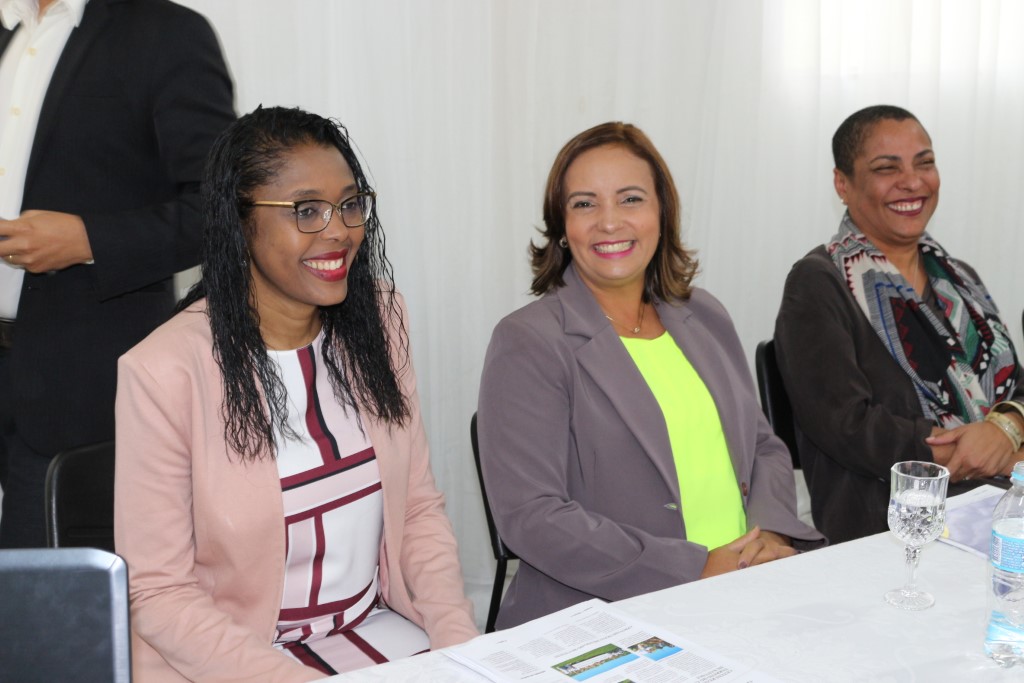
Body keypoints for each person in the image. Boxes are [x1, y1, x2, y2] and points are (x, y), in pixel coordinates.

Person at [114, 107, 478, 682]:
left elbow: (416, 509)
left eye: (350, 204)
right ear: (239, 223)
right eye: (306, 210)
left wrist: (462, 648)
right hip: (235, 662)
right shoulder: (163, 371)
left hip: (375, 629)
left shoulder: (381, 321)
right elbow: (158, 592)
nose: (338, 230)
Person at [477, 122, 824, 629]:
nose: (609, 221)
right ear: (561, 226)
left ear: (662, 213)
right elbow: (532, 516)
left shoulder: (704, 314)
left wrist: (769, 535)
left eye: (631, 199)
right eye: (584, 204)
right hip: (609, 617)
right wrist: (695, 568)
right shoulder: (528, 341)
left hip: (747, 590)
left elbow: (762, 445)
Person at [0, 0, 235, 547]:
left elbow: (222, 205)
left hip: (76, 387)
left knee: (47, 593)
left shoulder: (166, 32)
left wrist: (89, 240)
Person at [775, 105, 1024, 544]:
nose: (912, 182)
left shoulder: (959, 278)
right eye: (886, 168)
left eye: (924, 163)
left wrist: (1005, 430)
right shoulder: (817, 283)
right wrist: (983, 450)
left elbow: (1016, 386)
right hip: (891, 524)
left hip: (1000, 503)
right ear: (843, 184)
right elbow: (849, 426)